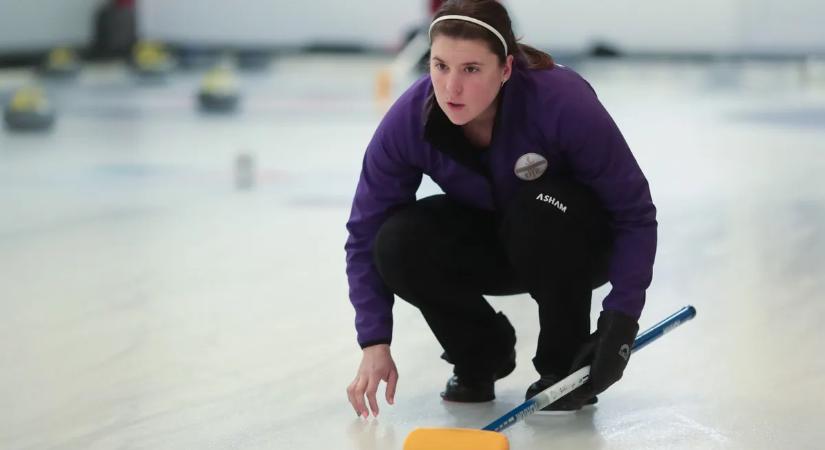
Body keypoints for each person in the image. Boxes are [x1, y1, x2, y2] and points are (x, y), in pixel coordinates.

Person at [345, 0, 657, 418]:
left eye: (471, 69)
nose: (451, 88)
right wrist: (374, 340)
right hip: (498, 241)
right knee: (396, 241)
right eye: (440, 66)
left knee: (537, 210)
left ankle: (562, 364)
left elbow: (633, 213)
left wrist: (620, 319)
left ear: (506, 69)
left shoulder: (561, 100)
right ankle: (480, 354)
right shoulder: (411, 120)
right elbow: (365, 231)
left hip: (574, 240)